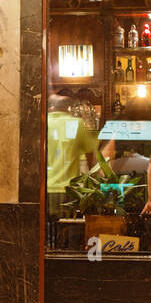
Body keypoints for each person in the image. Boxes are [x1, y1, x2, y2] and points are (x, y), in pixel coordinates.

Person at [47, 92, 99, 221]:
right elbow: (90, 154)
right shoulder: (76, 123)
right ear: (68, 108)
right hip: (69, 188)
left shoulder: (44, 122)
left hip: (46, 186)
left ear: (51, 107)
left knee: (47, 226)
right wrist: (94, 180)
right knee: (67, 225)